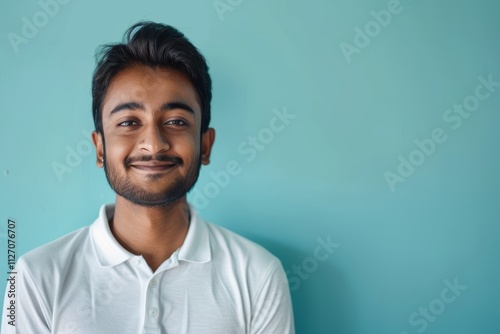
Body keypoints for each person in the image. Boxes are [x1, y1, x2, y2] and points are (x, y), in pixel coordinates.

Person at [1, 21, 295, 333]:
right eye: (129, 122)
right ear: (100, 148)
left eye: (176, 121)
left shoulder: (258, 275)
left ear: (205, 145)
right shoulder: (34, 278)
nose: (153, 144)